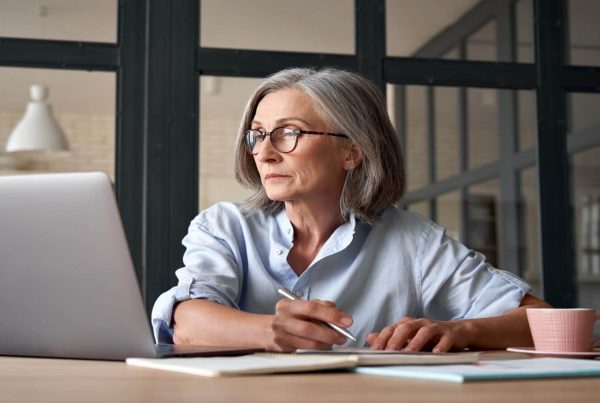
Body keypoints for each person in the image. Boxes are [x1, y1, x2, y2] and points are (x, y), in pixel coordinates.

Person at [152, 67, 549, 352]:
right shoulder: (225, 226)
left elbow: (544, 322)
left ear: (352, 151)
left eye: (288, 133)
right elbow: (186, 323)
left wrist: (460, 331)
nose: (265, 153)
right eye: (257, 135)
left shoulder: (414, 240)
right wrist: (272, 331)